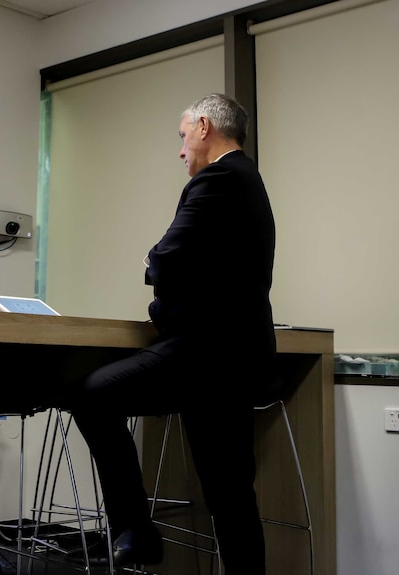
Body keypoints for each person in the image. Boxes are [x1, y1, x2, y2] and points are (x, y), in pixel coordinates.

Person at [65, 94, 276, 574]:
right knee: (230, 496)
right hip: (235, 359)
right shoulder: (250, 180)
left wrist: (154, 262)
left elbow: (166, 257)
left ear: (203, 126)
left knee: (92, 393)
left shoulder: (219, 179)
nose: (181, 151)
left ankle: (136, 531)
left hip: (206, 355)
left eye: (183, 137)